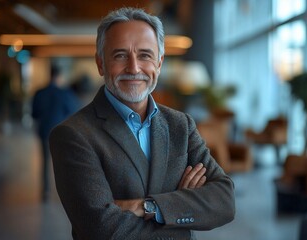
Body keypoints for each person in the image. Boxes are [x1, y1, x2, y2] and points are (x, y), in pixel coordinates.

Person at [49, 7, 235, 239]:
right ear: (100, 63)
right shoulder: (73, 135)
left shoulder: (181, 125)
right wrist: (179, 208)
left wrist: (148, 207)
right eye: (120, 55)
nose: (134, 68)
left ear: (159, 63)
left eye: (145, 55)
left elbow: (224, 201)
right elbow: (102, 228)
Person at [32, 65, 80, 202]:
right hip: (61, 133)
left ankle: (46, 192)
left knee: (45, 162)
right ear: (59, 77)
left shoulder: (39, 92)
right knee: (63, 164)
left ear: (49, 75)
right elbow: (73, 112)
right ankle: (66, 193)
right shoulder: (65, 94)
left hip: (44, 131)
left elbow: (34, 114)